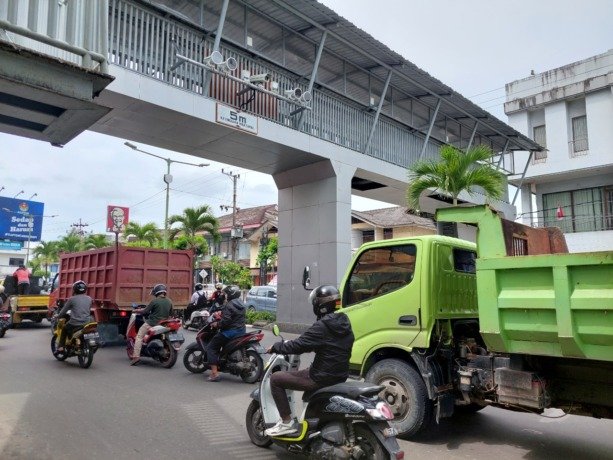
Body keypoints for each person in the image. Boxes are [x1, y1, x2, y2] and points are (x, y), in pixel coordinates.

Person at [264, 285, 354, 437]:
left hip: (320, 378)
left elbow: (299, 345)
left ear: (320, 305)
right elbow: (329, 345)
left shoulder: (322, 326)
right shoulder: (344, 321)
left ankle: (287, 423)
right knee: (305, 373)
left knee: (276, 378)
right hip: (339, 375)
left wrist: (276, 347)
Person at [206, 285, 246, 382]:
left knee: (211, 347)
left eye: (227, 294)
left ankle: (214, 374)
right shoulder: (241, 303)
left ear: (231, 294)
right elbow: (234, 316)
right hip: (241, 331)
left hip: (230, 332)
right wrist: (221, 313)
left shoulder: (230, 305)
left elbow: (225, 322)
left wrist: (217, 324)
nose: (226, 296)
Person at [131, 283, 172, 365]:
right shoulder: (169, 301)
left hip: (152, 323)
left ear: (156, 292)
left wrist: (136, 310)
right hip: (164, 324)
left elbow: (145, 311)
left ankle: (136, 357)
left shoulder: (154, 301)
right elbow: (171, 313)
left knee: (139, 336)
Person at [56, 280, 93, 352]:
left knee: (64, 328)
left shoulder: (72, 299)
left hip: (75, 323)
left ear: (74, 289)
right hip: (87, 322)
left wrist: (58, 316)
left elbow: (63, 311)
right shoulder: (89, 298)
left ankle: (61, 347)